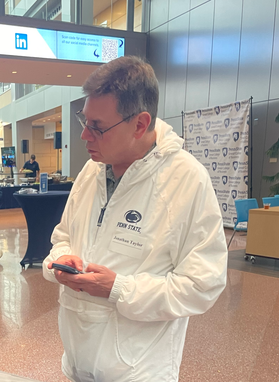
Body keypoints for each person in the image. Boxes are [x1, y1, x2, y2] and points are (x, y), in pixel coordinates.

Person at [42, 56, 227, 382]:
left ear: (140, 124)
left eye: (97, 127)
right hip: (76, 364)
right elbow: (63, 237)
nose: (85, 136)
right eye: (84, 121)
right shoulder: (90, 172)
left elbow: (202, 286)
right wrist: (61, 260)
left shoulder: (186, 180)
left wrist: (119, 289)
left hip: (139, 372)